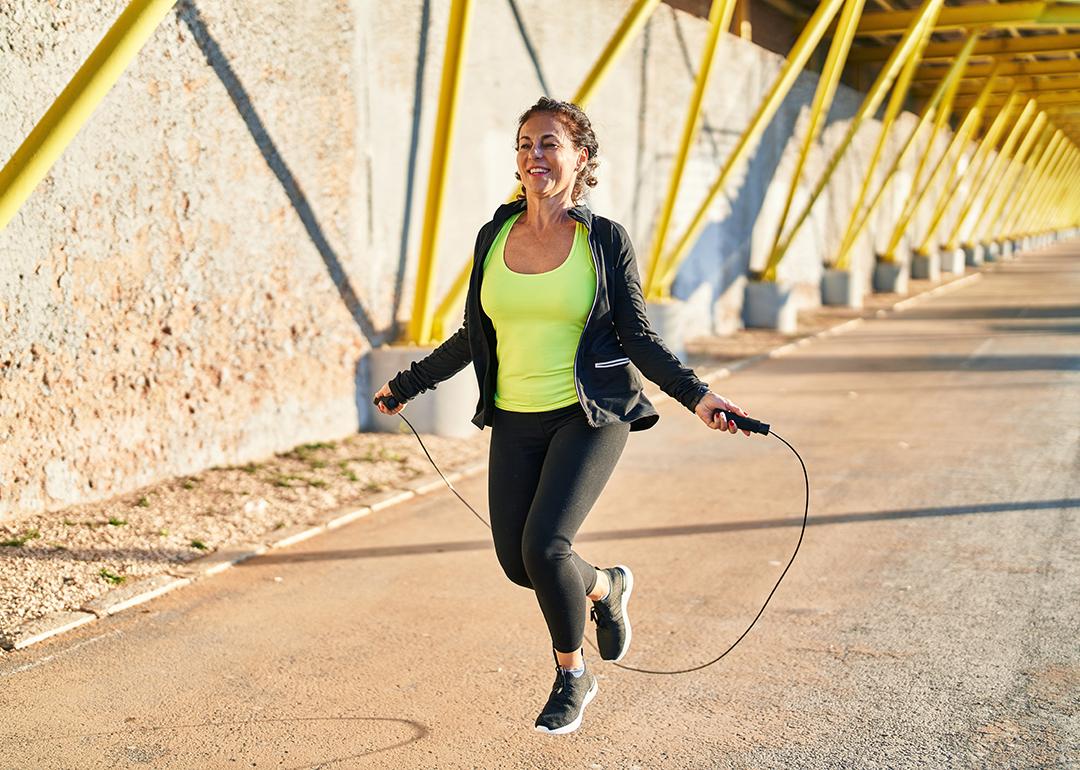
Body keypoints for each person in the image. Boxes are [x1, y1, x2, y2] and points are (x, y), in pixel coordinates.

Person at [374, 97, 750, 735]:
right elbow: (474, 334)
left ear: (581, 159)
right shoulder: (494, 235)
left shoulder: (603, 242)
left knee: (546, 547)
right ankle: (605, 587)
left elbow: (637, 336)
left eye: (549, 143)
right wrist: (409, 383)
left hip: (590, 413)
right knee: (519, 563)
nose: (533, 156)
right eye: (525, 144)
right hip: (515, 418)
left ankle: (572, 676)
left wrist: (698, 396)